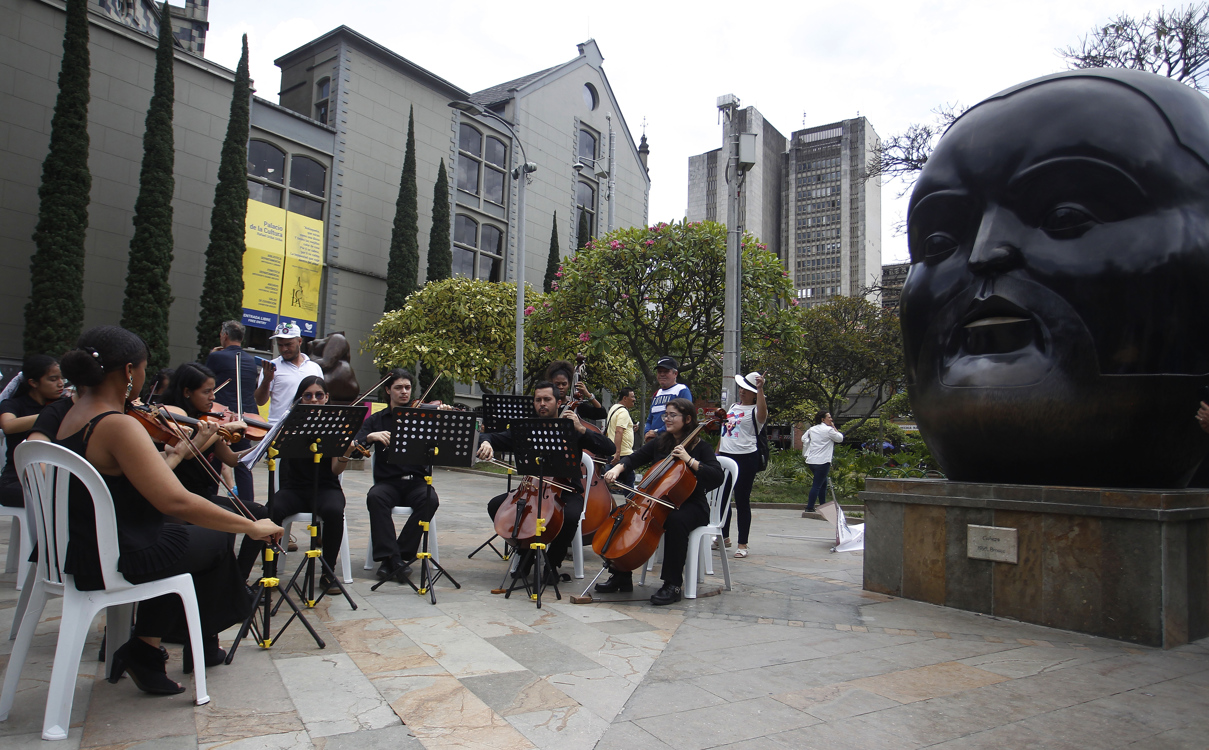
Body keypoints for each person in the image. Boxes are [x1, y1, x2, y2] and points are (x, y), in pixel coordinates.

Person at [53, 325, 281, 694]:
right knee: (214, 540)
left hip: (85, 545)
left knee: (189, 539)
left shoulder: (72, 414)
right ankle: (188, 642)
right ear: (129, 372)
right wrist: (249, 527)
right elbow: (174, 499)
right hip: (116, 553)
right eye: (143, 369)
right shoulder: (117, 425)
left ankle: (162, 646)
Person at [476, 381, 615, 581]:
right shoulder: (526, 428)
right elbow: (490, 435)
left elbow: (609, 448)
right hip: (531, 489)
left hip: (566, 490)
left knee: (569, 516)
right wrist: (486, 442)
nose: (542, 404)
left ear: (558, 402)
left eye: (547, 399)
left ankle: (552, 564)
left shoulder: (572, 429)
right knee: (496, 506)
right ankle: (526, 553)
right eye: (538, 400)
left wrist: (582, 429)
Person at [602, 398, 723, 605]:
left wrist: (689, 460)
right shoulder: (662, 441)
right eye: (665, 414)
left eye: (672, 415)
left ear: (687, 419)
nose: (666, 418)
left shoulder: (699, 446)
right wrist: (617, 469)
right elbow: (634, 458)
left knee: (676, 521)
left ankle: (672, 584)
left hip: (692, 505)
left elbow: (716, 476)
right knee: (622, 516)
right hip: (659, 502)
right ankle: (621, 573)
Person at [161, 362, 269, 579]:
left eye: (213, 390)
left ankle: (239, 577)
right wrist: (224, 429)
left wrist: (261, 445)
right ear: (187, 392)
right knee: (227, 523)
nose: (213, 397)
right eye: (207, 391)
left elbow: (230, 459)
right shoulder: (175, 419)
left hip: (204, 495)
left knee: (262, 514)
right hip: (182, 499)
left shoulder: (210, 421)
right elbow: (188, 451)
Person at [355, 368, 441, 581]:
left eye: (408, 388)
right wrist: (371, 436)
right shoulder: (376, 420)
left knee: (430, 499)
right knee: (375, 497)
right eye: (399, 387)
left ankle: (394, 558)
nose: (404, 392)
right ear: (387, 390)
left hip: (416, 483)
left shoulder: (422, 417)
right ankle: (396, 559)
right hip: (388, 483)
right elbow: (356, 443)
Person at [268, 376, 349, 592]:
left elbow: (335, 470)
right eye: (308, 395)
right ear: (300, 399)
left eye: (319, 395)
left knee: (333, 511)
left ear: (326, 398)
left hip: (326, 487)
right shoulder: (290, 423)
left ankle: (327, 572)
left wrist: (345, 454)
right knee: (271, 509)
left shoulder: (336, 425)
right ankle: (270, 572)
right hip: (294, 488)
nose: (314, 400)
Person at [204, 320, 259, 503]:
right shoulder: (251, 361)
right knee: (243, 464)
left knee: (214, 460)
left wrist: (212, 354)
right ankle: (249, 505)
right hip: (246, 418)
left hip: (222, 417)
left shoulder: (216, 357)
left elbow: (206, 381)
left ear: (225, 336)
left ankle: (208, 499)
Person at [0, 355, 64, 507]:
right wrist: (50, 415)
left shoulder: (61, 404)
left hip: (54, 477)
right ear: (33, 382)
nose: (60, 384)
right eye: (53, 379)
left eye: (62, 379)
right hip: (16, 479)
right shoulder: (14, 404)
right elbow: (8, 426)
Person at [718, 372, 768, 558]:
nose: (742, 391)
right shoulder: (733, 406)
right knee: (723, 498)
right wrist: (718, 450)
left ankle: (742, 543)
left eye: (747, 389)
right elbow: (724, 430)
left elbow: (762, 416)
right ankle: (723, 537)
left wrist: (761, 389)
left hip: (746, 457)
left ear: (754, 392)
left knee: (741, 500)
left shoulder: (756, 410)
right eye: (741, 388)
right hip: (726, 454)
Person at [255, 322, 323, 425]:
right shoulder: (272, 366)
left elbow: (321, 399)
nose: (283, 349)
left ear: (299, 341)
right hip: (278, 427)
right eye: (280, 345)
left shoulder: (315, 368)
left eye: (288, 344)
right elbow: (260, 401)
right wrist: (266, 380)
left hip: (307, 426)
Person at [802, 411, 843, 512]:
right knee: (817, 485)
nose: (831, 419)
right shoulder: (829, 430)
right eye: (829, 417)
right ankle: (809, 507)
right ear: (823, 419)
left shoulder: (812, 429)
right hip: (823, 461)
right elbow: (840, 438)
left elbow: (803, 438)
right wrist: (834, 427)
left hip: (812, 461)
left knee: (823, 483)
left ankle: (822, 505)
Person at [643, 357, 692, 441]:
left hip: (672, 442)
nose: (662, 374)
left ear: (675, 373)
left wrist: (657, 432)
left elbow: (684, 419)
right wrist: (647, 433)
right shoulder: (657, 394)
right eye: (659, 372)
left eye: (666, 371)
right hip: (654, 443)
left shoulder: (681, 390)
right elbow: (649, 419)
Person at [604, 387, 637, 493]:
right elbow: (618, 431)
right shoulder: (623, 412)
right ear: (625, 398)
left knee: (608, 479)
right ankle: (629, 507)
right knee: (629, 483)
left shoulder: (614, 408)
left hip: (615, 452)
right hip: (622, 454)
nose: (634, 399)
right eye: (632, 397)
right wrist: (617, 453)